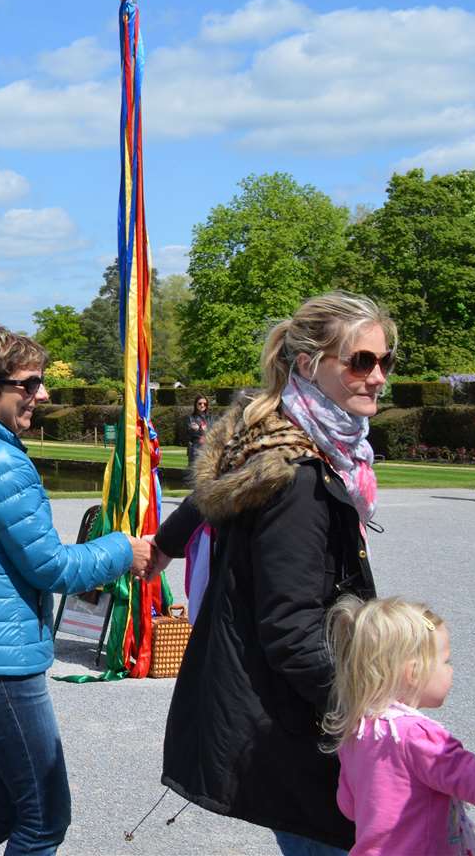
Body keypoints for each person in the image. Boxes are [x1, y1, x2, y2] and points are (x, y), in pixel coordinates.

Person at [149, 292, 392, 856]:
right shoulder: (299, 478)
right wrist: (367, 713)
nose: (377, 376)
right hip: (298, 720)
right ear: (308, 364)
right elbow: (290, 627)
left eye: (384, 362)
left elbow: (209, 492)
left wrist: (167, 540)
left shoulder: (273, 439)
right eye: (360, 361)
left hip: (284, 708)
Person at [0, 324, 150, 856]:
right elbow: (50, 566)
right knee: (43, 819)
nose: (42, 394)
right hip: (3, 669)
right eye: (30, 383)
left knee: (8, 804)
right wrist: (122, 549)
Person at [326, 596, 475, 853]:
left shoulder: (358, 729)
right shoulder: (421, 738)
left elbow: (348, 805)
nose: (450, 670)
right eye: (445, 662)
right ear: (414, 672)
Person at [184, 395, 211, 463]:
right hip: (195, 448)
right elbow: (189, 434)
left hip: (208, 448)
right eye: (200, 403)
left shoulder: (209, 418)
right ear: (195, 404)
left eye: (205, 404)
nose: (202, 405)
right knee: (194, 470)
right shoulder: (190, 418)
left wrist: (199, 429)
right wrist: (202, 430)